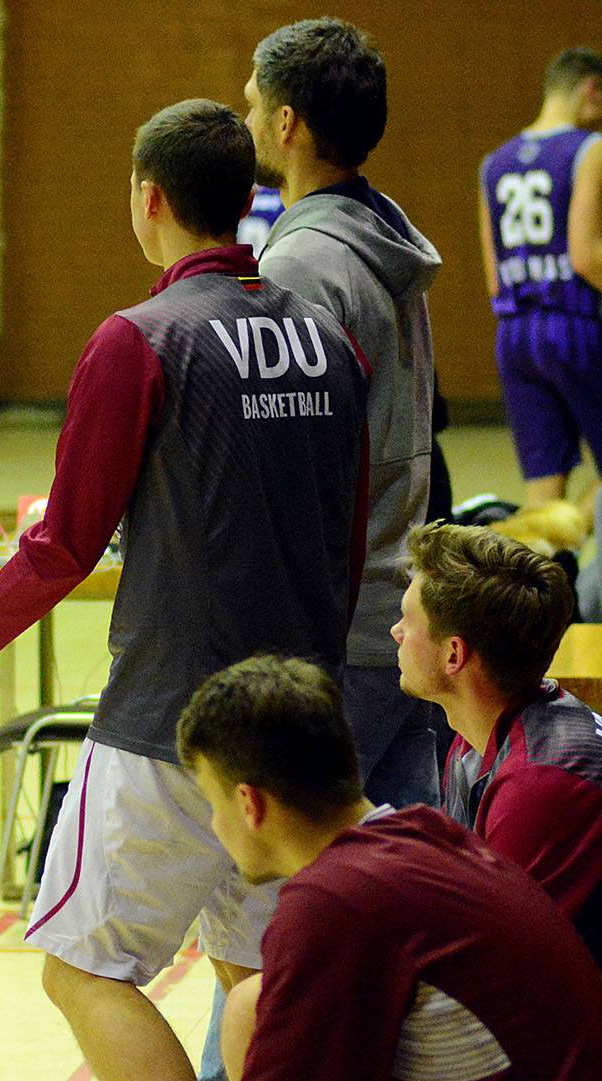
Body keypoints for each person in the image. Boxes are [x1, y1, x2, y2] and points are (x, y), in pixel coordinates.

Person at [0, 100, 370, 1081]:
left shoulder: (139, 340)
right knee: (255, 976)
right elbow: (348, 531)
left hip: (171, 722)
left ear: (148, 200)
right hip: (305, 717)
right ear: (246, 199)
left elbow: (66, 541)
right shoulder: (329, 340)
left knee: (80, 965)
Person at [39, 655, 602, 1081]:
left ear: (249, 803)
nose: (216, 828)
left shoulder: (333, 903)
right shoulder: (412, 838)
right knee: (249, 1015)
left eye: (211, 805)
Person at [243, 16, 444, 810]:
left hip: (340, 623)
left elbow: (291, 458)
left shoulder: (301, 262)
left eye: (253, 105)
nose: (246, 121)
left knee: (290, 852)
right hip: (395, 599)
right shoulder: (380, 229)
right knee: (395, 859)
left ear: (287, 124)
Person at [394, 521, 602, 962]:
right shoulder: (479, 737)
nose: (395, 632)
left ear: (454, 654)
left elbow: (496, 963)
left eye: (408, 621)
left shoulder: (537, 783)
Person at [479, 46, 602, 507]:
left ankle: (552, 547)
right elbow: (585, 256)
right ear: (591, 90)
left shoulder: (493, 163)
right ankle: (582, 527)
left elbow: (494, 279)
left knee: (543, 491)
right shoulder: (590, 149)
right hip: (575, 325)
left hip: (514, 335)